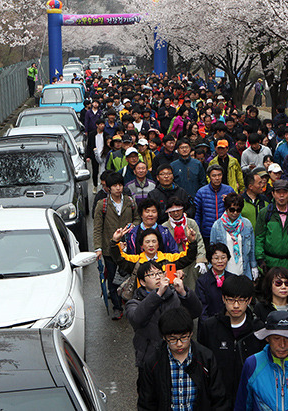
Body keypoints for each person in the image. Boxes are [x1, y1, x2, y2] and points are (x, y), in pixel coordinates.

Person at [136, 307, 228, 411]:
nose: (179, 344)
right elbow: (146, 402)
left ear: (191, 333)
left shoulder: (206, 358)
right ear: (164, 337)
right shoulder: (153, 362)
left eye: (184, 337)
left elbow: (218, 398)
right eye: (173, 339)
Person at [197, 274, 265, 401]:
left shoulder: (258, 329)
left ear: (249, 300)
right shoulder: (209, 327)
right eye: (231, 300)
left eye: (241, 300)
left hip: (249, 399)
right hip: (217, 400)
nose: (236, 306)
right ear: (223, 298)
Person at [125, 259, 203, 367]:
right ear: (142, 282)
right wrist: (158, 294)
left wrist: (183, 292)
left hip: (177, 353)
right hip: (149, 357)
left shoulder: (174, 295)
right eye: (152, 275)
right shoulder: (135, 302)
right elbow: (137, 320)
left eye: (159, 273)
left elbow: (196, 312)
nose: (157, 277)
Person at [92, 172, 138, 319]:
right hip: (109, 249)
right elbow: (97, 228)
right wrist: (98, 248)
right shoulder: (102, 205)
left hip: (128, 248)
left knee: (129, 276)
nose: (118, 188)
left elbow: (137, 218)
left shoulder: (130, 201)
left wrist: (132, 225)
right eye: (114, 186)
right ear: (109, 188)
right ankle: (117, 307)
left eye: (120, 185)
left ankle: (130, 302)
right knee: (112, 278)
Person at [255, 179, 288, 271]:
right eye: (278, 192)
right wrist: (260, 258)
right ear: (273, 194)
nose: (281, 195)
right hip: (270, 263)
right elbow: (259, 237)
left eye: (285, 192)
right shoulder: (265, 213)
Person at [163, 195, 208, 293]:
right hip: (175, 262)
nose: (176, 213)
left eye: (178, 210)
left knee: (193, 288)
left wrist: (201, 259)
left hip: (191, 261)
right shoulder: (164, 227)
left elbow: (199, 241)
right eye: (173, 211)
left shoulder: (191, 223)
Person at [210, 192, 257, 279]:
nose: (235, 213)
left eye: (238, 210)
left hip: (244, 271)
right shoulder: (217, 226)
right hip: (224, 272)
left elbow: (252, 249)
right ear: (226, 208)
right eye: (232, 210)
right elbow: (212, 250)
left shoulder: (247, 224)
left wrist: (254, 266)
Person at [195, 165, 235, 236]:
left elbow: (236, 209)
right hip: (207, 232)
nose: (217, 178)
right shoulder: (201, 192)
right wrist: (198, 232)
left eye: (219, 175)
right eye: (214, 176)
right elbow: (197, 214)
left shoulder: (229, 190)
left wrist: (229, 201)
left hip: (226, 231)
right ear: (209, 177)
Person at [196, 243, 231, 318]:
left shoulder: (232, 279)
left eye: (223, 258)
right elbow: (202, 308)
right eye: (216, 258)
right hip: (209, 322)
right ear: (210, 260)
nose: (220, 261)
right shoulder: (202, 281)